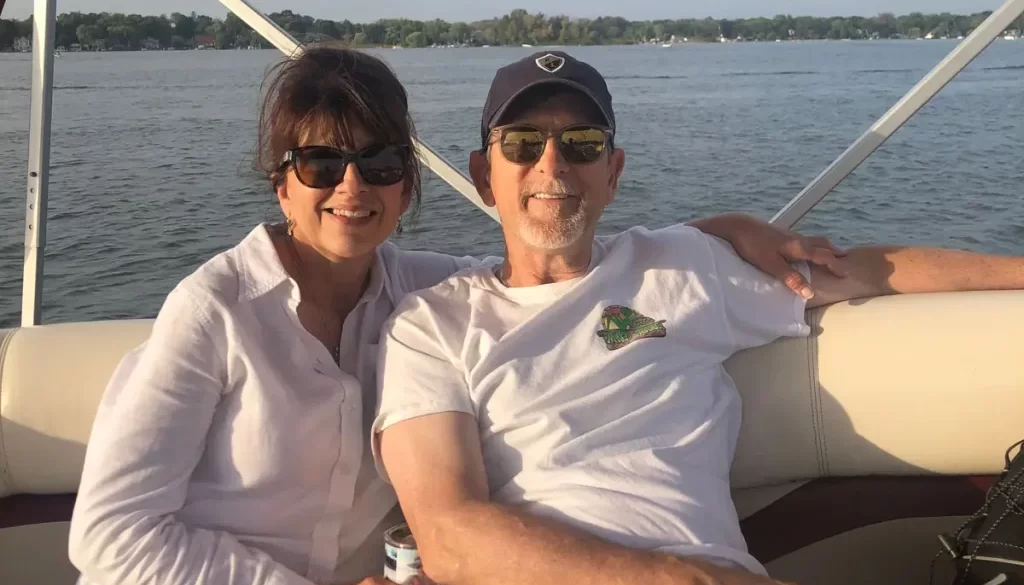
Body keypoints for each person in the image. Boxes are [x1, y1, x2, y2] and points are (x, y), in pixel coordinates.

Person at [66, 46, 840, 585]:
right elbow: (110, 538)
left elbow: (546, 273)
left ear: (408, 183)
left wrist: (729, 230)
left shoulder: (416, 289)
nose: (352, 186)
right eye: (320, 164)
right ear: (280, 184)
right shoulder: (214, 310)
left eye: (379, 162)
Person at [372, 50, 1024, 585]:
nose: (552, 163)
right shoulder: (432, 325)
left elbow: (862, 270)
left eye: (581, 141)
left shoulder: (683, 267)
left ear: (612, 171)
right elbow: (450, 534)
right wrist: (676, 579)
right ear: (485, 175)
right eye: (522, 143)